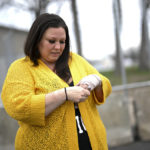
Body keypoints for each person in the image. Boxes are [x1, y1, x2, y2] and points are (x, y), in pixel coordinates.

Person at [1, 13, 112, 150]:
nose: (58, 47)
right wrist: (64, 94)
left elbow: (105, 83)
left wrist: (95, 80)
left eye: (62, 41)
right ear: (37, 40)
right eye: (52, 41)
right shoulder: (21, 67)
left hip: (92, 142)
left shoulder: (75, 60)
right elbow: (17, 106)